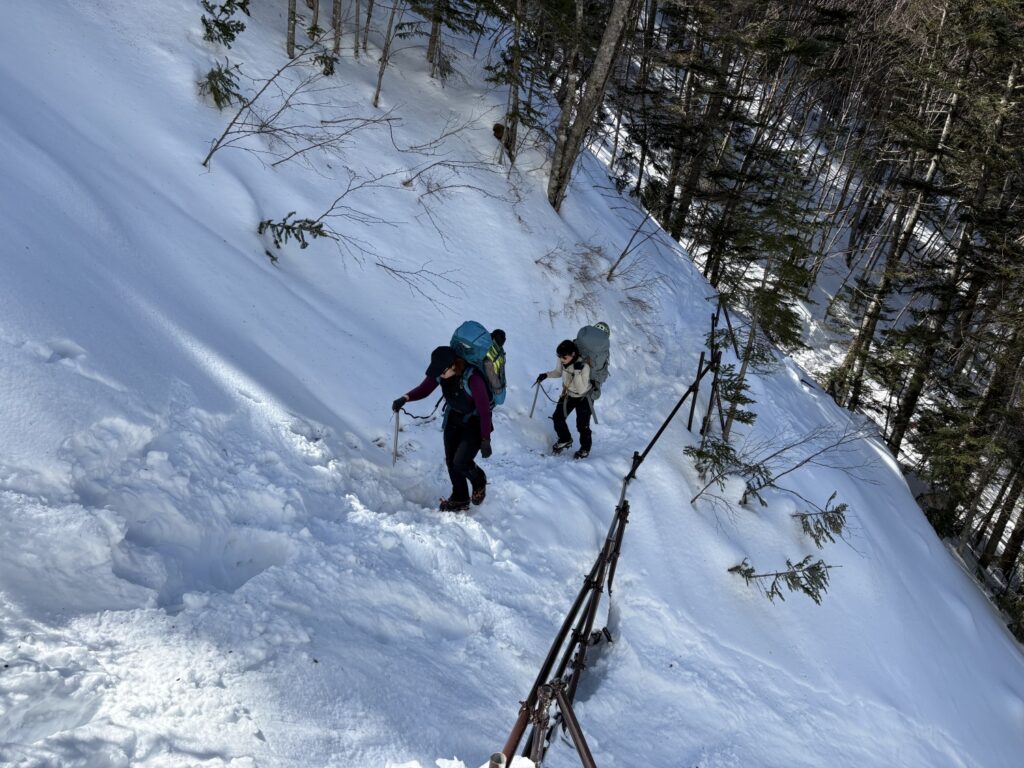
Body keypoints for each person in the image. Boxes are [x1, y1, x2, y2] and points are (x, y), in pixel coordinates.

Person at [392, 346, 491, 512]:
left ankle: (479, 480)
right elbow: (425, 389)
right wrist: (405, 398)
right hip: (453, 419)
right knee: (451, 461)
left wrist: (485, 439)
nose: (440, 375)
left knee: (461, 462)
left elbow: (484, 411)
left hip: (474, 422)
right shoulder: (442, 372)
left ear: (453, 365)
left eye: (442, 371)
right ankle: (460, 498)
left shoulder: (473, 378)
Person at [535, 339, 592, 459]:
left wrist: (577, 372)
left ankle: (585, 448)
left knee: (582, 425)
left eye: (564, 357)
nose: (561, 359)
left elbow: (581, 389)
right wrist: (546, 375)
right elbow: (558, 372)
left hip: (583, 397)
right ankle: (565, 439)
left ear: (573, 354)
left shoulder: (584, 366)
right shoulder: (563, 358)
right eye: (559, 356)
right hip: (568, 394)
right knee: (558, 417)